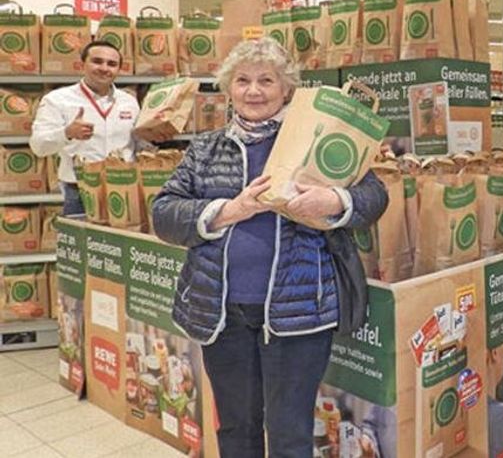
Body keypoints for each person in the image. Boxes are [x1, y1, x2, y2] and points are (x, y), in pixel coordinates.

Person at [151, 38, 388, 458]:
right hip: (223, 314)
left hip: (299, 315)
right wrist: (229, 209)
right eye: (242, 80)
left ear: (286, 89)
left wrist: (334, 201)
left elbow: (373, 197)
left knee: (291, 433)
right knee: (237, 428)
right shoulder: (206, 149)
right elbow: (164, 213)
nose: (254, 90)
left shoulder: (315, 136)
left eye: (266, 80)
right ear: (229, 88)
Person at [29, 40, 142, 217]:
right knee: (82, 244)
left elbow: (137, 143)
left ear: (119, 69)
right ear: (82, 64)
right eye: (97, 61)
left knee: (121, 243)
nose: (104, 68)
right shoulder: (57, 99)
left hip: (125, 186)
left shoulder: (129, 101)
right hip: (80, 190)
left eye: (112, 64)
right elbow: (38, 146)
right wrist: (67, 133)